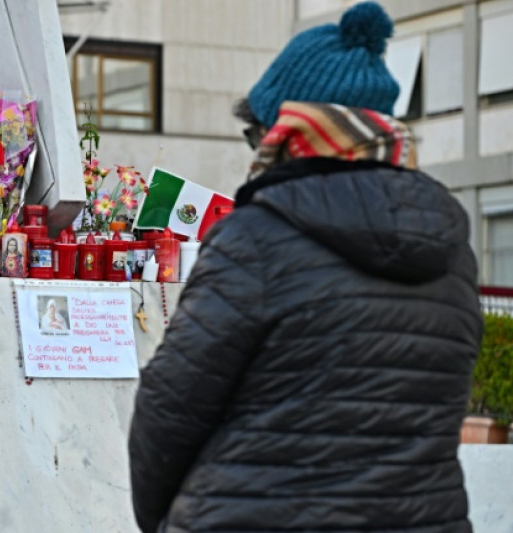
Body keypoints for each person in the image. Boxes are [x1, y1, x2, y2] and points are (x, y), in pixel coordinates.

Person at [128, 4, 482, 533]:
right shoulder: (452, 249)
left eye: (258, 134)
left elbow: (170, 410)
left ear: (293, 132)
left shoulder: (255, 237)